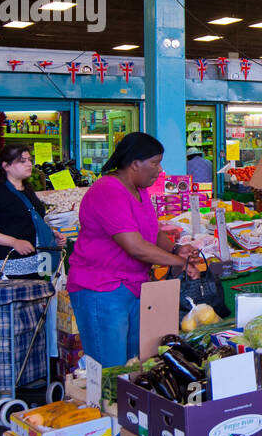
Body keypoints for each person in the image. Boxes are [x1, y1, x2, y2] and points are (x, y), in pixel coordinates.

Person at [67, 133, 200, 367]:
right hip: (103, 289)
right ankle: (103, 405)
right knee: (111, 368)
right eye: (155, 162)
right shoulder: (108, 190)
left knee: (134, 363)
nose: (160, 170)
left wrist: (177, 249)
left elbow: (151, 231)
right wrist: (178, 262)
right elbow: (135, 246)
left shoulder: (140, 190)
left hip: (134, 286)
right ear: (135, 163)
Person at [0, 144, 59, 278]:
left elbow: (30, 220)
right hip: (8, 265)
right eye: (22, 161)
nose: (29, 164)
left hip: (36, 264)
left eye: (30, 160)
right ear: (6, 166)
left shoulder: (27, 189)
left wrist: (51, 234)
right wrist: (13, 242)